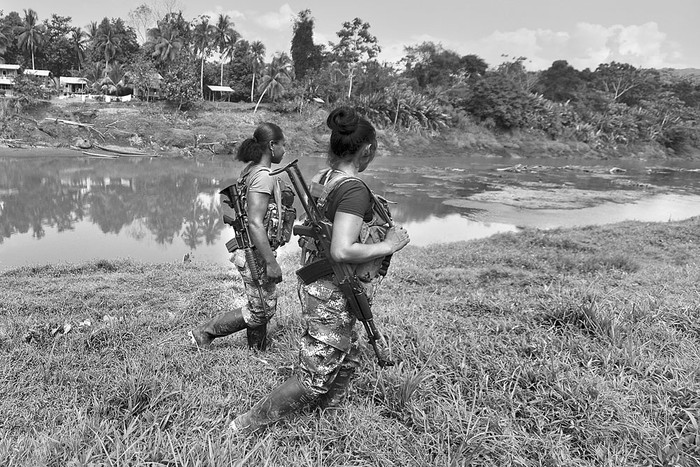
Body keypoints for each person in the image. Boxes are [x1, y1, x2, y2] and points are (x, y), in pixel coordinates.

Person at [229, 107, 410, 433]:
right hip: (332, 286)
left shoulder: (323, 178)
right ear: (367, 150)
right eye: (374, 150)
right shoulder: (354, 189)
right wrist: (390, 244)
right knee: (313, 378)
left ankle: (329, 417)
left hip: (319, 278)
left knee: (348, 354)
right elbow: (342, 248)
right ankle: (244, 425)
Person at [189, 122, 293, 351]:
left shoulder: (251, 170)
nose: (285, 151)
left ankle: (257, 350)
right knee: (263, 309)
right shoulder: (263, 176)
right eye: (283, 145)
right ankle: (204, 332)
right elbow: (255, 223)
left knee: (260, 302)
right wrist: (271, 262)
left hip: (251, 247)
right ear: (272, 145)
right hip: (254, 250)